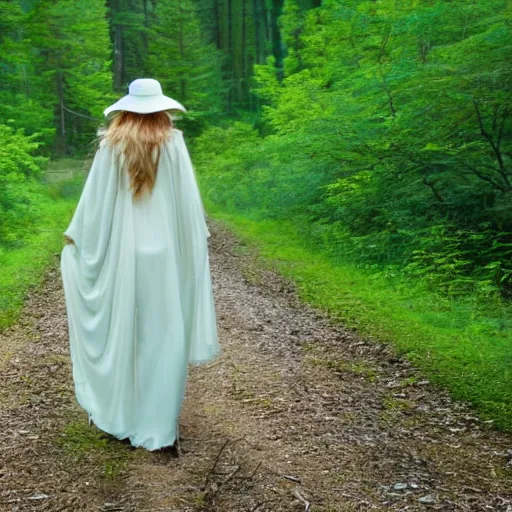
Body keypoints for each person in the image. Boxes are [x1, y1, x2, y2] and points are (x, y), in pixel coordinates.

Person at [60, 78, 220, 452]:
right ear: (162, 109)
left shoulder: (110, 146)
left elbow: (96, 206)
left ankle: (125, 417)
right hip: (164, 260)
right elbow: (186, 205)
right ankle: (161, 430)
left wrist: (77, 240)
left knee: (125, 336)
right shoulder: (174, 144)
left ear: (126, 109)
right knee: (163, 340)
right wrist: (192, 247)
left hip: (122, 256)